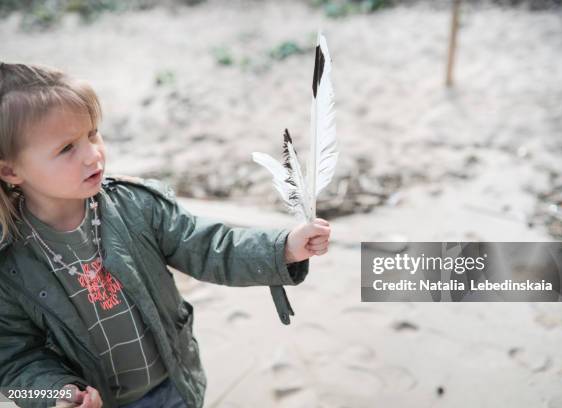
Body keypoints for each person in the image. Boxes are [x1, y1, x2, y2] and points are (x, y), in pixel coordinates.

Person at [0, 62, 331, 408]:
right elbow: (12, 360)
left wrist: (283, 249)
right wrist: (54, 394)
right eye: (67, 148)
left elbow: (209, 247)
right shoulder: (9, 263)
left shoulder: (137, 207)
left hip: (174, 385)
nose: (92, 154)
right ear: (10, 169)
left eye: (93, 133)